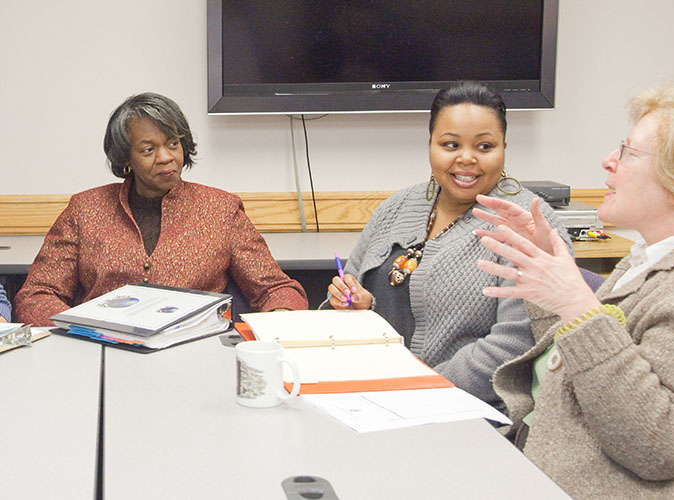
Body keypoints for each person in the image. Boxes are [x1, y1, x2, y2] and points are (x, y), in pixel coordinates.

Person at [474, 83, 674, 498]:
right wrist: (549, 276)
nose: (608, 161)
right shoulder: (651, 257)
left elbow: (664, 445)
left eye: (628, 152)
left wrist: (578, 306)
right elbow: (579, 365)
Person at [325, 81, 571, 405]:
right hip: (371, 395)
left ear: (504, 148)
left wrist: (420, 388)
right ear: (430, 145)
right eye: (450, 145)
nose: (466, 159)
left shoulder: (529, 223)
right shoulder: (398, 207)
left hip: (466, 410)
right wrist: (353, 305)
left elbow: (517, 345)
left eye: (484, 147)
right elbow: (342, 302)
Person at [16, 92, 307, 326]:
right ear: (125, 157)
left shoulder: (221, 209)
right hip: (101, 355)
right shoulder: (85, 210)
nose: (166, 157)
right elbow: (38, 295)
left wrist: (278, 321)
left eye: (172, 143)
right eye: (148, 149)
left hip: (197, 355)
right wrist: (78, 331)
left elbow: (276, 289)